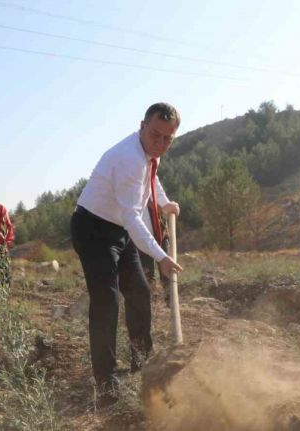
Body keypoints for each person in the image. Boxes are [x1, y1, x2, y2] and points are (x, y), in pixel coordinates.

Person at [70, 102, 183, 405]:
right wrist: (160, 255)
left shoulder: (146, 155)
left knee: (139, 291)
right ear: (142, 126)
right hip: (92, 229)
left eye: (167, 139)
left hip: (118, 229)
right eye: (155, 135)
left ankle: (142, 363)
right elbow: (134, 216)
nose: (160, 144)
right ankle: (105, 382)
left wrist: (164, 202)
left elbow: (151, 180)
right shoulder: (129, 158)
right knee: (106, 299)